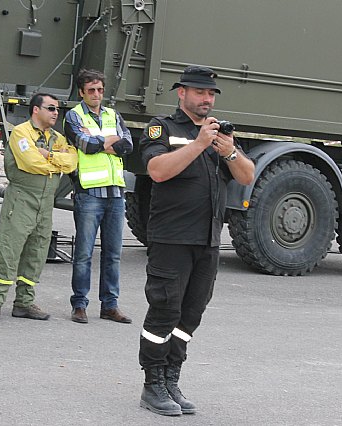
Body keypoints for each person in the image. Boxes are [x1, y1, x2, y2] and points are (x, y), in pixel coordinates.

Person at [137, 66, 255, 415]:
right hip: (171, 238)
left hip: (207, 240)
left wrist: (229, 152)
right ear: (181, 93)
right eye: (200, 92)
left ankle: (172, 377)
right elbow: (157, 171)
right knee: (164, 310)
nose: (207, 99)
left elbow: (246, 176)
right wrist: (199, 143)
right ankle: (152, 384)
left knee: (190, 314)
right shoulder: (164, 128)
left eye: (211, 94)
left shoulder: (219, 134)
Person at [0, 93, 77, 322]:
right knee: (9, 250)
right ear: (36, 110)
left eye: (57, 109)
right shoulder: (21, 133)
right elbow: (30, 162)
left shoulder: (57, 138)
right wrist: (55, 162)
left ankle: (24, 302)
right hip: (22, 199)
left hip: (45, 202)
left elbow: (73, 161)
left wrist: (49, 155)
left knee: (36, 252)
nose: (56, 113)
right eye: (51, 108)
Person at [64, 69, 133, 324]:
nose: (96, 94)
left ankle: (110, 306)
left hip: (115, 192)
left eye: (100, 90)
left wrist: (100, 141)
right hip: (89, 193)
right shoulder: (74, 115)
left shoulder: (113, 115)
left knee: (113, 254)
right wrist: (108, 141)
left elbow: (128, 146)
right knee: (83, 253)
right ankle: (79, 304)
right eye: (91, 90)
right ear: (82, 92)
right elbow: (85, 144)